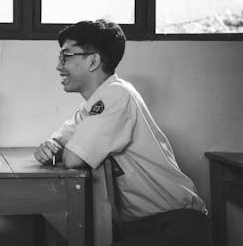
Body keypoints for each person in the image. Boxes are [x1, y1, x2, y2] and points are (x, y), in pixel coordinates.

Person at [34, 20, 209, 246]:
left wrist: (57, 151)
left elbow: (73, 158)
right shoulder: (94, 105)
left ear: (93, 61)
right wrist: (51, 145)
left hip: (176, 226)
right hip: (146, 226)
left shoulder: (116, 96)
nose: (59, 65)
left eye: (65, 56)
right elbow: (61, 137)